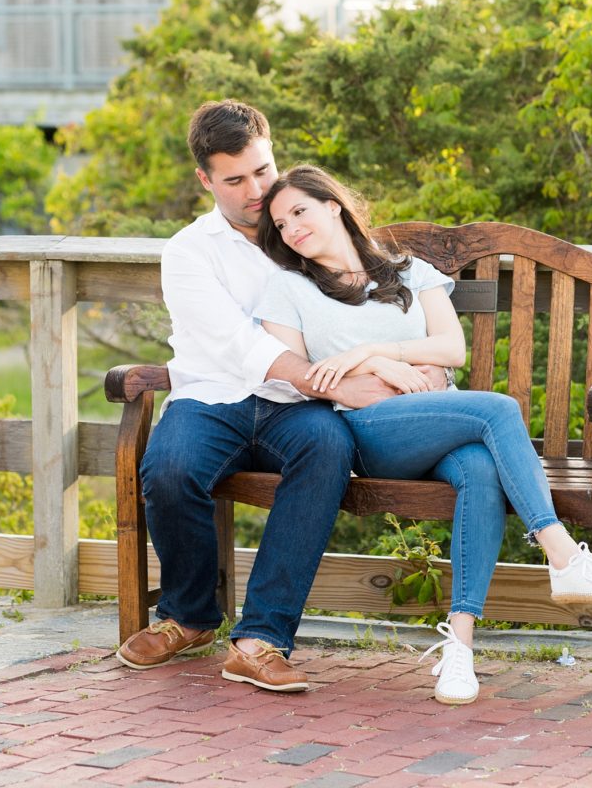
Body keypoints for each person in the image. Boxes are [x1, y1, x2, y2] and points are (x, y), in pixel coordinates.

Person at [255, 165, 592, 706]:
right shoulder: (288, 286)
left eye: (299, 211)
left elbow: (451, 350)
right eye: (280, 224)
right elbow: (302, 375)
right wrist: (378, 376)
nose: (291, 228)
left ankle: (459, 648)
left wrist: (375, 353)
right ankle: (563, 556)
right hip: (365, 431)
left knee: (482, 471)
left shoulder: (408, 270)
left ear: (333, 205)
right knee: (499, 410)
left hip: (434, 417)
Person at [115, 99, 445, 693]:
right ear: (205, 179)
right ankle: (188, 616)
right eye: (235, 179)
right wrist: (343, 381)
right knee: (168, 469)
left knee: (325, 453)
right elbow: (241, 348)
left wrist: (400, 369)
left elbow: (371, 312)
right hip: (214, 397)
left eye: (263, 171)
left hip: (300, 408)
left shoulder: (302, 230)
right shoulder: (189, 252)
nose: (256, 190)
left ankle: (261, 638)